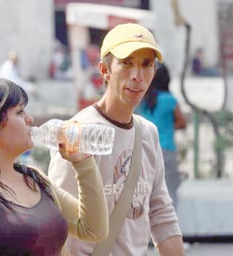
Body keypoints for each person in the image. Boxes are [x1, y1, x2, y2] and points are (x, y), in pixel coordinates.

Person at [48, 23, 186, 255]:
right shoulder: (76, 133)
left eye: (146, 65)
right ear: (104, 70)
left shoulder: (147, 133)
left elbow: (161, 214)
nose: (137, 76)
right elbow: (56, 221)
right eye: (126, 63)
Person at [0, 78, 108, 255]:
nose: (29, 119)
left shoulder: (35, 180)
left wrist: (82, 162)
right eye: (20, 112)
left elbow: (93, 230)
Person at [138, 63, 187, 209]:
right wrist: (166, 127)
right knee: (169, 191)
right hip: (166, 149)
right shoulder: (169, 100)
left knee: (147, 191)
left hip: (144, 150)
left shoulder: (142, 100)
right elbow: (182, 123)